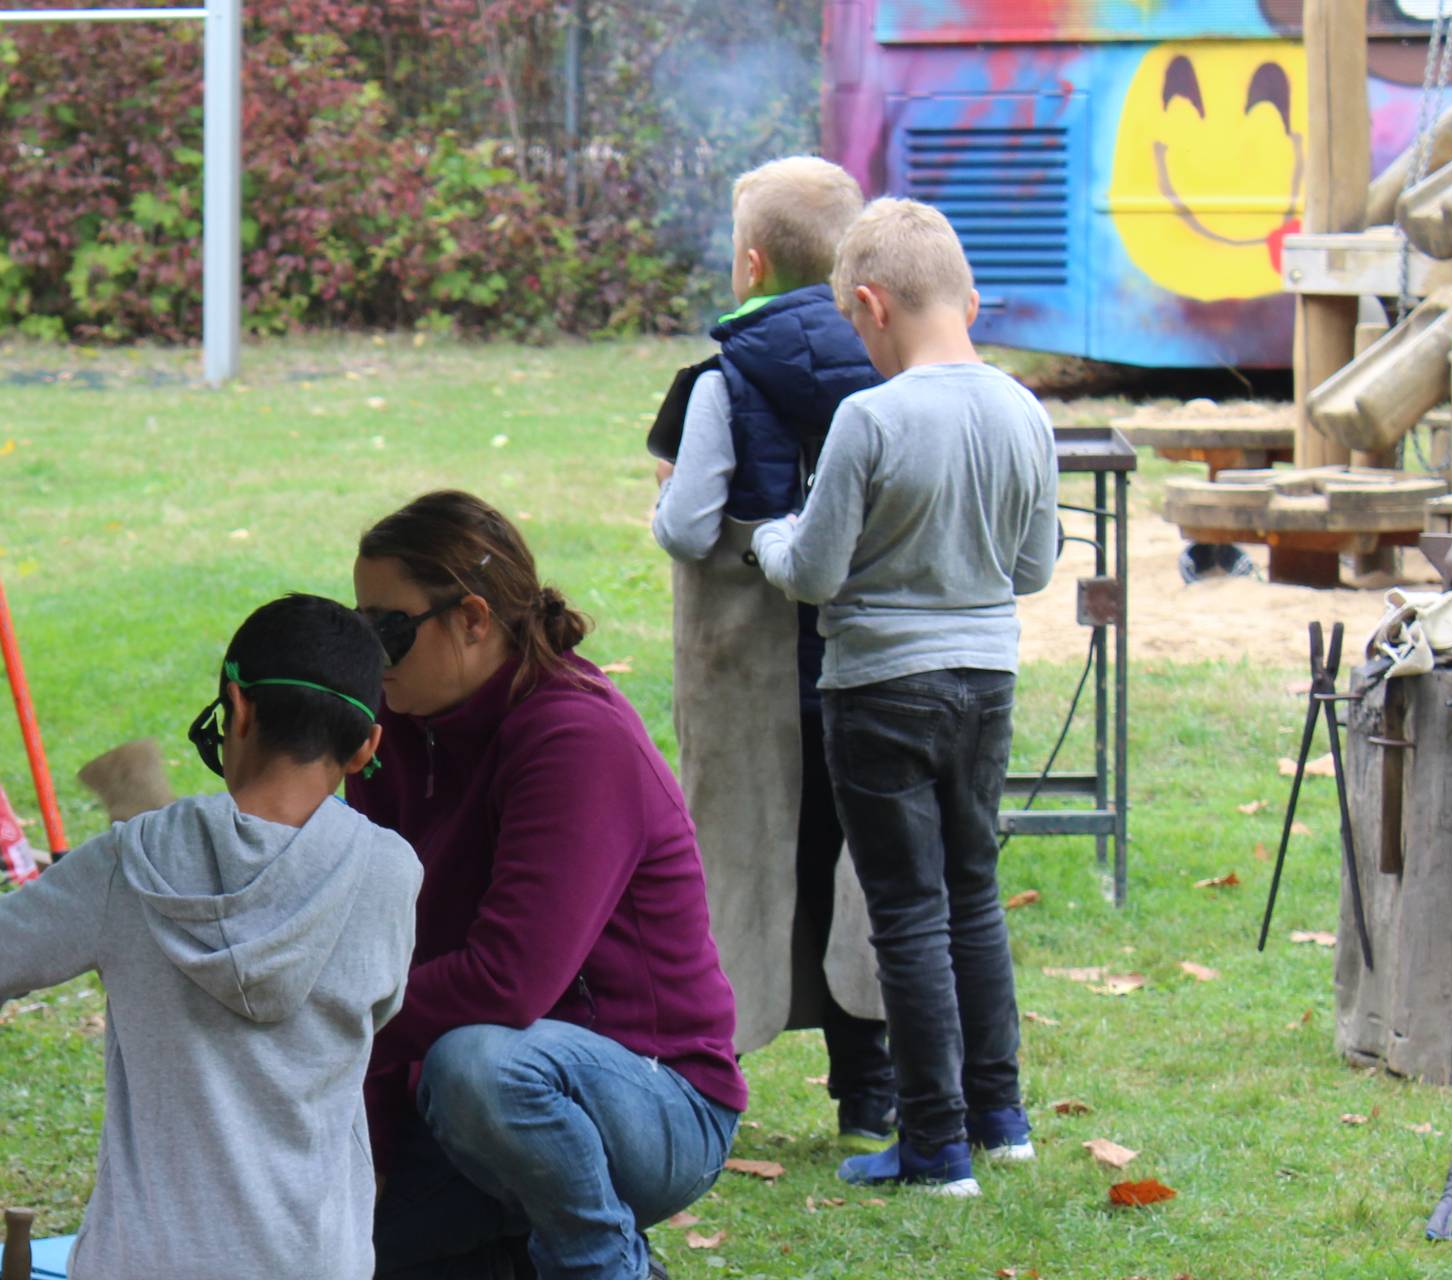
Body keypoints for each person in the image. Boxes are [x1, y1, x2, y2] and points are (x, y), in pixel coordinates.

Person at [0, 594, 421, 1280]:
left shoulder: (129, 867)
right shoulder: (390, 874)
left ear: (236, 707)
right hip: (317, 1262)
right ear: (368, 744)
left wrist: (99, 892)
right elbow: (379, 1009)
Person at [752, 197, 1060, 1197]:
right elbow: (1034, 566)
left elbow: (813, 569)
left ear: (871, 304)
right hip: (986, 681)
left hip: (879, 688)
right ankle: (1000, 1118)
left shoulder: (869, 418)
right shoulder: (1024, 409)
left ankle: (932, 1147)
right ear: (965, 300)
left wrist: (766, 537)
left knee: (907, 912)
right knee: (974, 891)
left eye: (854, 326)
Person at [352, 490, 742, 1280]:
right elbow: (374, 955)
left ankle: (603, 1265)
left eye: (388, 630)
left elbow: (506, 984)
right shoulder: (395, 735)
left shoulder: (575, 736)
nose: (374, 658)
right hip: (474, 1100)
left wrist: (332, 1023)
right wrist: (372, 1159)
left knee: (481, 1065)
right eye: (360, 630)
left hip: (656, 1096)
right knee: (357, 1250)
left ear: (473, 619)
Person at [651, 155, 897, 1153]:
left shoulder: (718, 379)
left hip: (750, 677)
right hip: (863, 665)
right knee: (860, 873)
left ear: (750, 262)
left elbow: (688, 524)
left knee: (736, 866)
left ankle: (709, 1068)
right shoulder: (892, 370)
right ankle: (870, 1084)